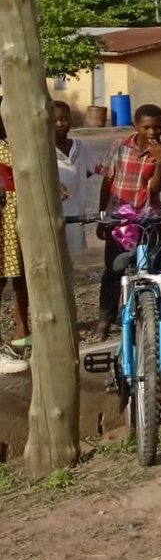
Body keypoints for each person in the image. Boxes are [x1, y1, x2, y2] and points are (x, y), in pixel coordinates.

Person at [93, 105, 161, 341]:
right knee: (113, 270)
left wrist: (158, 163)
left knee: (148, 268)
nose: (152, 131)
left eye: (157, 126)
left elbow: (156, 190)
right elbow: (107, 183)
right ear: (135, 127)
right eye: (146, 127)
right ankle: (105, 319)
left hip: (148, 218)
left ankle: (146, 313)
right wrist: (102, 217)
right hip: (119, 219)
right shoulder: (119, 147)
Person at [0, 116, 30, 370]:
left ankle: (23, 329)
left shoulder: (12, 145)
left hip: (16, 219)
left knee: (21, 277)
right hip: (5, 218)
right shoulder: (9, 149)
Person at [54, 101, 94, 257]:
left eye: (64, 119)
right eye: (55, 120)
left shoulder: (79, 146)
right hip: (54, 215)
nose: (60, 123)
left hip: (75, 212)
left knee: (74, 258)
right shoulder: (44, 149)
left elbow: (91, 169)